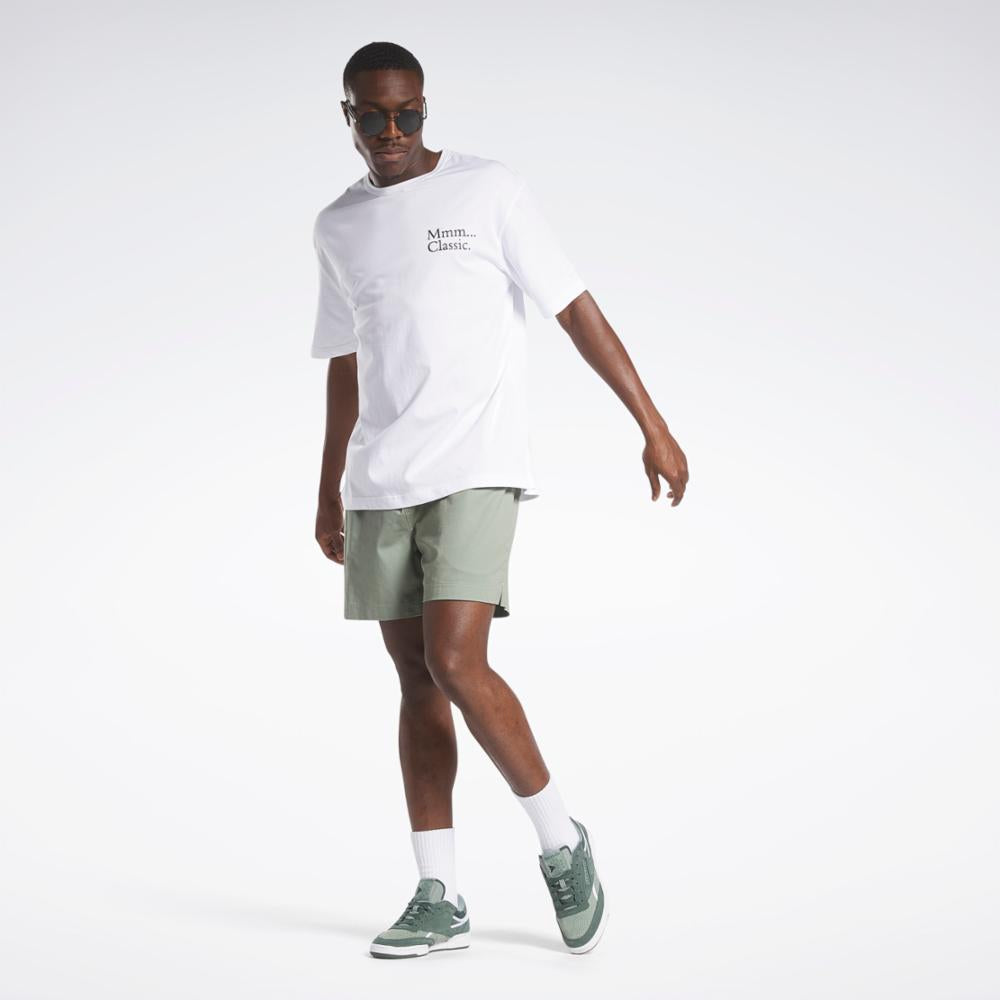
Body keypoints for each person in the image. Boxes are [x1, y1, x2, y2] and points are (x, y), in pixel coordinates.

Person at [311, 41, 688, 960]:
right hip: (380, 480)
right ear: (349, 116)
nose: (393, 130)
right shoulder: (338, 225)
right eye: (374, 115)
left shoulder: (488, 191)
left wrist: (652, 422)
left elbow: (575, 308)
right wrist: (327, 489)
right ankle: (438, 893)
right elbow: (346, 362)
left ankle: (561, 841)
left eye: (408, 113)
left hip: (476, 462)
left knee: (455, 661)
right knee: (415, 682)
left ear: (425, 107)